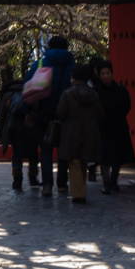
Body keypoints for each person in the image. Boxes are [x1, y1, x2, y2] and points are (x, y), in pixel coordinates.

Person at [24, 36, 75, 197]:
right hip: (67, 114)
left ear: (49, 46)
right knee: (63, 149)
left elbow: (28, 88)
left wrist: (28, 111)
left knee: (45, 150)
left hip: (43, 113)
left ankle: (47, 185)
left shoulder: (40, 63)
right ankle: (62, 184)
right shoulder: (73, 66)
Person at [55, 64, 104, 204]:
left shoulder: (67, 94)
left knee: (74, 162)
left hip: (71, 131)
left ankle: (78, 194)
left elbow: (61, 113)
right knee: (83, 161)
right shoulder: (94, 95)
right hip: (90, 131)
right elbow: (100, 114)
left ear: (73, 78)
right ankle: (81, 190)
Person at [91, 59, 134, 194]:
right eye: (102, 73)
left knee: (117, 155)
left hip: (118, 126)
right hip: (102, 127)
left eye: (107, 73)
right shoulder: (95, 91)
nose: (105, 76)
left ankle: (114, 179)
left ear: (112, 73)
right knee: (104, 156)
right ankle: (106, 181)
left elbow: (127, 106)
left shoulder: (121, 90)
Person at [0, 69, 41, 190]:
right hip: (32, 125)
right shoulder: (33, 92)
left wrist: (1, 131)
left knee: (17, 154)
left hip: (15, 127)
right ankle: (33, 178)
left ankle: (17, 180)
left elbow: (2, 115)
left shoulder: (8, 94)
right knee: (33, 153)